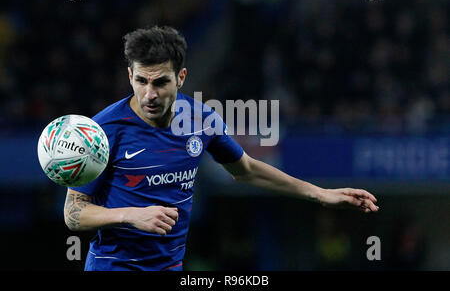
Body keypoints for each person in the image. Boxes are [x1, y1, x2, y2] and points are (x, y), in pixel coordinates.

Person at [64, 25, 379, 271]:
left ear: (181, 77)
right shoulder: (102, 130)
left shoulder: (201, 119)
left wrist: (320, 194)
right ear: (130, 75)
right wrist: (130, 215)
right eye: (141, 81)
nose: (150, 94)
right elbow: (73, 213)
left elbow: (247, 171)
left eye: (160, 82)